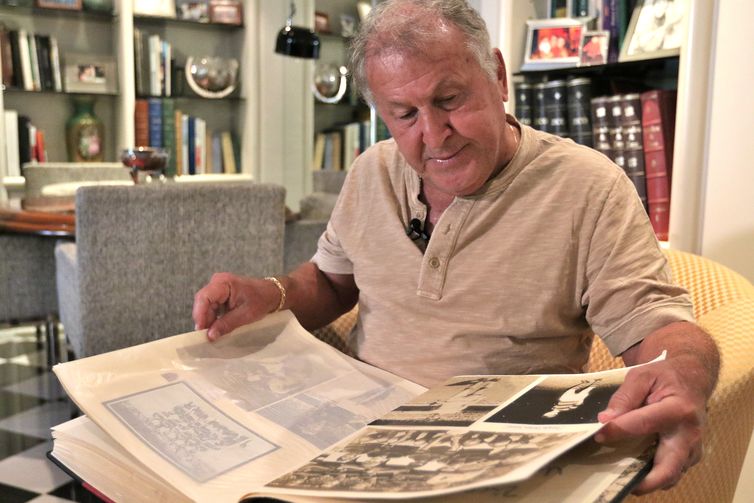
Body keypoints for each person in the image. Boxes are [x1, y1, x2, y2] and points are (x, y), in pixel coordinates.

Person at [193, 0, 719, 495]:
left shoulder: (588, 187)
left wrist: (687, 374)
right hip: (351, 432)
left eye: (450, 100)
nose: (435, 135)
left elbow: (656, 326)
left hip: (500, 457)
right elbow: (331, 282)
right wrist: (272, 292)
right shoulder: (372, 171)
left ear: (497, 75)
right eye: (404, 114)